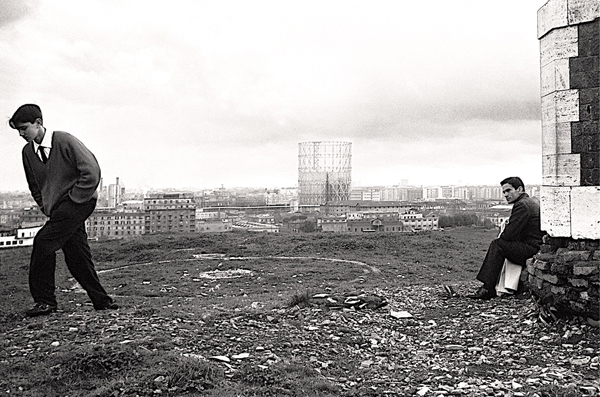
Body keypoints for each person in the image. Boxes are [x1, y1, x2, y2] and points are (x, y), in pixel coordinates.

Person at [9, 104, 117, 316]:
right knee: (77, 253)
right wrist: (45, 205)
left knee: (43, 242)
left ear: (38, 123)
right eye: (18, 130)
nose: (21, 134)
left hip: (80, 201)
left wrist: (75, 198)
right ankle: (102, 301)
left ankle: (45, 301)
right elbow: (34, 185)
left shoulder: (64, 140)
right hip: (58, 209)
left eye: (24, 128)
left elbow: (92, 171)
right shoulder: (27, 152)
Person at [467, 176, 542, 300]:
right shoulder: (530, 202)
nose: (506, 195)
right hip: (536, 246)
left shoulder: (522, 205)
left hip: (530, 249)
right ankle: (493, 285)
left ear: (519, 189)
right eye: (504, 192)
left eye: (508, 191)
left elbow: (508, 235)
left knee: (498, 244)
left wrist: (506, 230)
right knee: (500, 244)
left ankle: (488, 288)